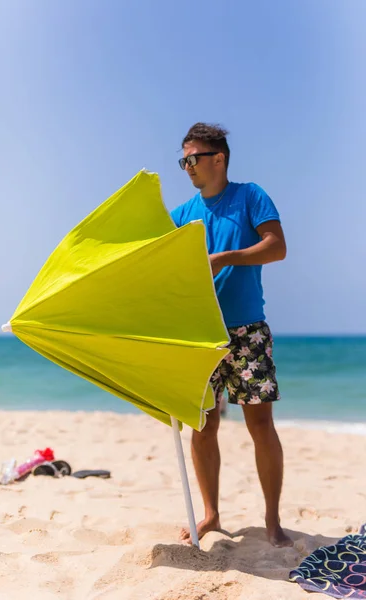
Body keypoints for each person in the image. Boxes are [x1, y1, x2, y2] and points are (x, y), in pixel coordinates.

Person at [171, 123, 292, 548]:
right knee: (202, 427)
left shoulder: (250, 196)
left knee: (260, 425)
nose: (187, 167)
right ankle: (211, 515)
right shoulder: (183, 215)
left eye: (193, 158)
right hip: (201, 335)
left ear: (218, 159)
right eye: (183, 160)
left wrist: (225, 257)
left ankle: (273, 520)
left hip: (247, 329)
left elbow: (276, 247)